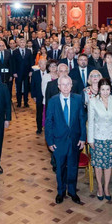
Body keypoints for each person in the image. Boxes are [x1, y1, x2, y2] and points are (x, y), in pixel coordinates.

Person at [45, 76, 87, 205]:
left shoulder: (78, 99)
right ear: (58, 86)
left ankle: (72, 191)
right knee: (60, 168)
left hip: (74, 140)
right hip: (58, 141)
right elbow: (49, 123)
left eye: (68, 84)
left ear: (71, 86)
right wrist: (50, 141)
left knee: (73, 167)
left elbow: (82, 119)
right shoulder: (53, 101)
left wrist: (82, 138)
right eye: (63, 85)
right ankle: (61, 191)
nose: (65, 87)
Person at [87, 78, 112, 202]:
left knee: (108, 165)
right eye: (103, 89)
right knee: (98, 165)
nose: (105, 92)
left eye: (107, 89)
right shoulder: (93, 101)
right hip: (98, 137)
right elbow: (91, 122)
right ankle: (99, 188)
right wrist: (90, 139)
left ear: (110, 89)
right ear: (99, 89)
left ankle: (106, 187)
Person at [12, 38, 33, 108]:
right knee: (19, 88)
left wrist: (31, 71)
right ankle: (19, 102)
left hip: (27, 73)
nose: (22, 44)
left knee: (26, 88)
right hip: (18, 73)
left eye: (24, 42)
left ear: (25, 43)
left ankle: (26, 102)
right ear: (18, 43)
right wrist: (14, 72)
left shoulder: (29, 51)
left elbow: (31, 62)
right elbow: (13, 63)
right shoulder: (15, 52)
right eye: (21, 42)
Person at [31, 57, 49, 135]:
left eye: (44, 64)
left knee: (48, 112)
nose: (43, 66)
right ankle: (39, 128)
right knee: (39, 112)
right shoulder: (35, 74)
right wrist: (33, 96)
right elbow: (32, 85)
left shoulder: (49, 73)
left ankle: (47, 127)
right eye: (41, 64)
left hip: (47, 96)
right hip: (38, 96)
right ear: (39, 65)